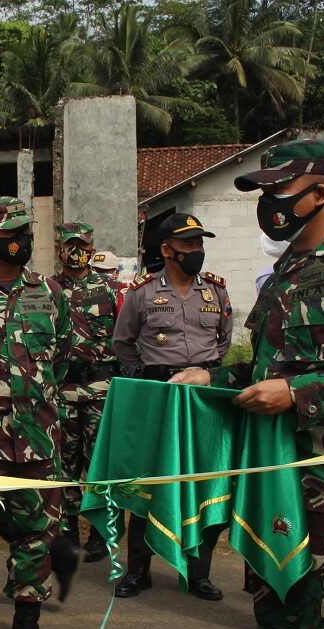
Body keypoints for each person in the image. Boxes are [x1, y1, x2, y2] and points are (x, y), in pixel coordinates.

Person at [173, 139, 324, 629]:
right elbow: (272, 368)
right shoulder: (282, 276)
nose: (267, 204)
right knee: (277, 611)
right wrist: (213, 377)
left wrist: (296, 394)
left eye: (277, 190)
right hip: (271, 476)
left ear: (321, 193)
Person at [0, 197, 78, 629]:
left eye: (25, 232)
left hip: (38, 437)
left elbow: (61, 360)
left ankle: (27, 620)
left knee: (37, 535)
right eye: (12, 235)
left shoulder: (49, 292)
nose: (22, 242)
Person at [111, 212, 231, 601]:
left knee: (203, 481)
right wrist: (149, 374)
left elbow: (224, 341)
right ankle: (138, 571)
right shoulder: (142, 293)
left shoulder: (216, 292)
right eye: (188, 245)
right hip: (158, 396)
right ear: (167, 250)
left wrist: (203, 370)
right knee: (149, 482)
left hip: (203, 399)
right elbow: (122, 342)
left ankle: (198, 574)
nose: (196, 251)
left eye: (199, 243)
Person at [50, 222, 119, 564]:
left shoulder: (109, 289)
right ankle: (67, 532)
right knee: (63, 466)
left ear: (92, 249)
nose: (75, 252)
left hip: (101, 389)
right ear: (59, 249)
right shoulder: (46, 289)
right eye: (69, 245)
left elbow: (126, 337)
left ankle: (99, 533)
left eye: (82, 245)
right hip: (62, 389)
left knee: (98, 465)